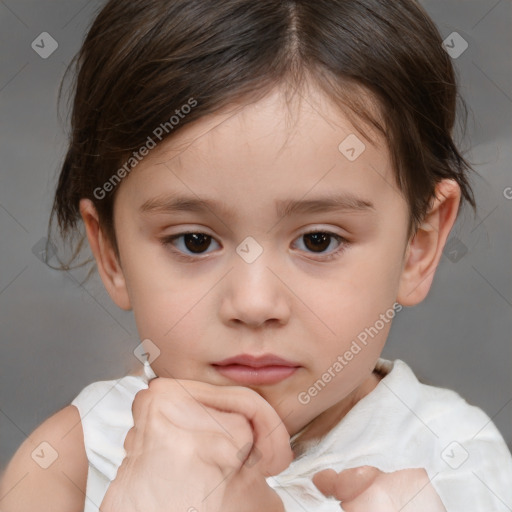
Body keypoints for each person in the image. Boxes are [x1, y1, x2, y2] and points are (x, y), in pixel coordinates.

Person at [1, 0, 511, 510]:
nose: (253, 302)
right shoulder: (72, 462)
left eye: (318, 240)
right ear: (111, 251)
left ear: (417, 247)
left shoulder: (458, 464)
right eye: (194, 241)